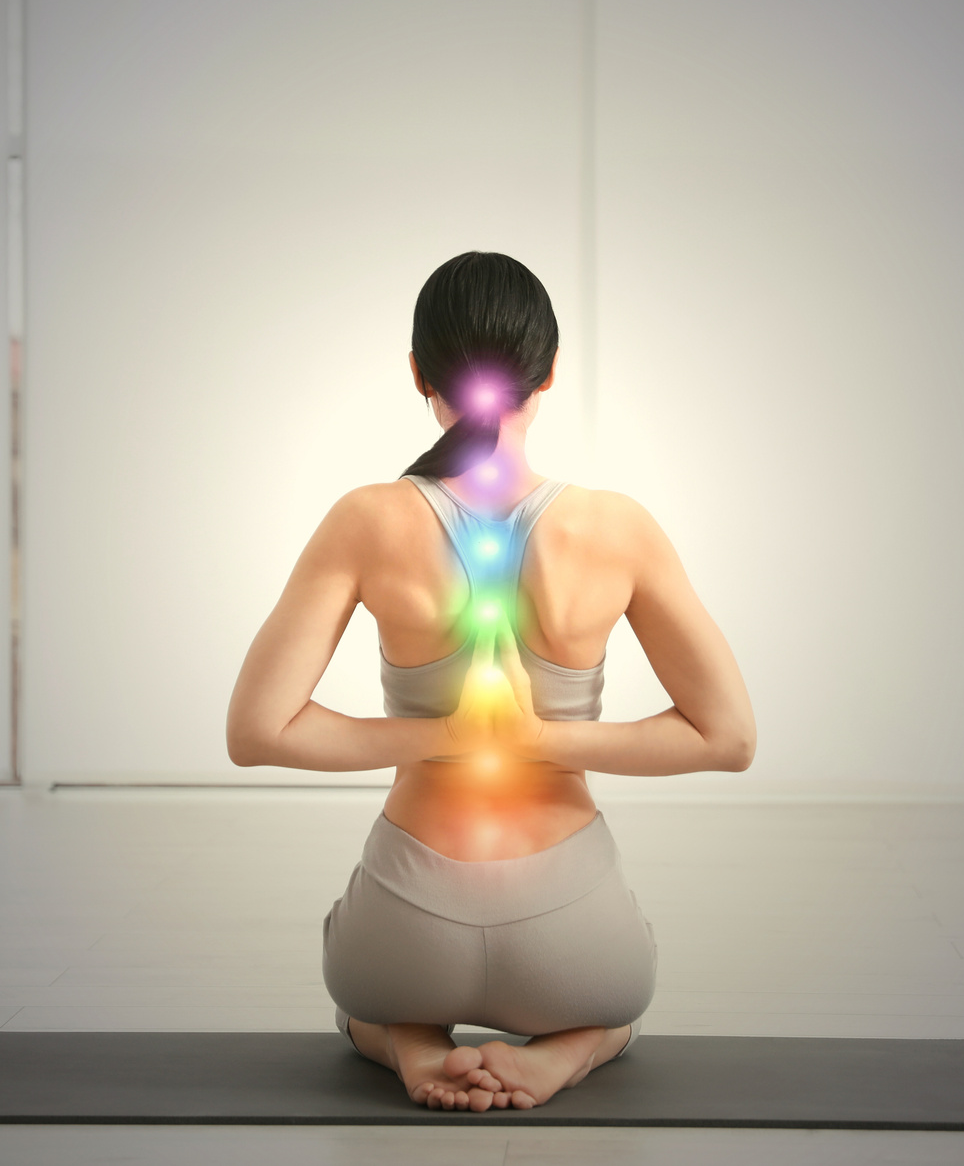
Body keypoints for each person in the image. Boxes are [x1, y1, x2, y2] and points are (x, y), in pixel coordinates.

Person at [226, 251, 755, 1113]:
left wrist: (444, 734)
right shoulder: (616, 528)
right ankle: (571, 1050)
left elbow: (257, 731)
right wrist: (539, 739)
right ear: (545, 372)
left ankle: (407, 1041)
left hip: (403, 934)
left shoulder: (366, 518)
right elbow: (727, 736)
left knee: (354, 1000)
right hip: (574, 940)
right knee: (622, 1005)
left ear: (417, 374)